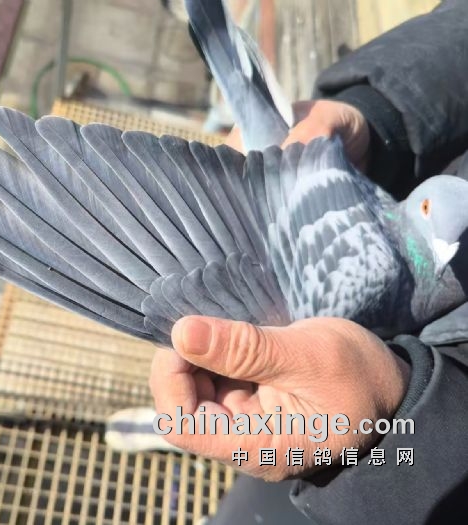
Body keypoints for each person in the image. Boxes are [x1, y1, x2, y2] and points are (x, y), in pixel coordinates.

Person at [149, 1, 468, 523]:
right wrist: (380, 115)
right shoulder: (372, 273)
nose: (444, 249)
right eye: (434, 221)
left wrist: (397, 413)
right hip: (300, 209)